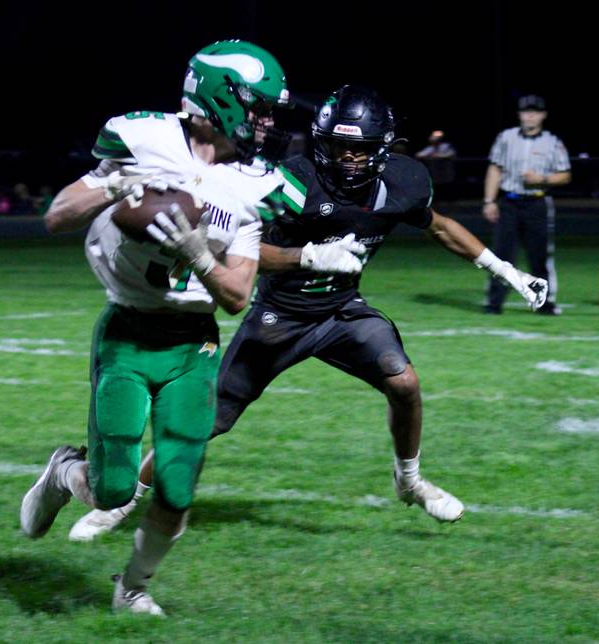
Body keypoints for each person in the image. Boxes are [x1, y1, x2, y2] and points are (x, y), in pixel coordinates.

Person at [69, 85, 548, 541]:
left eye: (359, 149)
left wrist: (504, 271)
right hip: (282, 314)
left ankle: (410, 481)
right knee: (208, 417)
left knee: (404, 382)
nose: (348, 159)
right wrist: (310, 255)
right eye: (338, 148)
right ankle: (121, 500)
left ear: (383, 148)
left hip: (342, 311)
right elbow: (248, 257)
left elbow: (438, 227)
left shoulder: (403, 181)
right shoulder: (291, 180)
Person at [18, 40, 360, 616]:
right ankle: (64, 471)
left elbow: (236, 296)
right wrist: (112, 187)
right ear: (220, 98)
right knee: (113, 490)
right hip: (127, 333)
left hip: (193, 344)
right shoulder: (141, 138)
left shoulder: (259, 184)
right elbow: (56, 216)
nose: (268, 121)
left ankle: (132, 589)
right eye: (259, 107)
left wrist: (201, 255)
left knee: (176, 488)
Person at [481, 95, 571, 315]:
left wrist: (543, 179)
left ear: (543, 115)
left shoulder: (552, 142)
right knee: (501, 257)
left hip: (537, 203)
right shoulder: (506, 138)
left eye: (535, 111)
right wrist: (489, 201)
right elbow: (495, 169)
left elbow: (565, 175)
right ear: (519, 114)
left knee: (539, 256)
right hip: (509, 203)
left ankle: (545, 303)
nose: (530, 115)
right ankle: (494, 304)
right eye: (525, 111)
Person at [415, 130, 457, 204]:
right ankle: (436, 203)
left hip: (446, 172)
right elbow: (419, 155)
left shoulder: (446, 146)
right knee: (436, 189)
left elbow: (451, 154)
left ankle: (450, 203)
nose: (433, 139)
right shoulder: (430, 148)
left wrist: (436, 156)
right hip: (435, 173)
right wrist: (431, 155)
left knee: (448, 188)